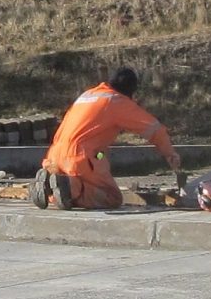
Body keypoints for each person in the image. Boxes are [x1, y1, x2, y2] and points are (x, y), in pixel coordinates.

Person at [34, 67, 180, 210]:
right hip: (80, 157)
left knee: (60, 195)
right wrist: (170, 153)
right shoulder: (117, 101)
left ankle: (51, 184)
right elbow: (154, 129)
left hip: (54, 155)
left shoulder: (88, 95)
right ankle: (70, 186)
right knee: (111, 198)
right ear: (131, 90)